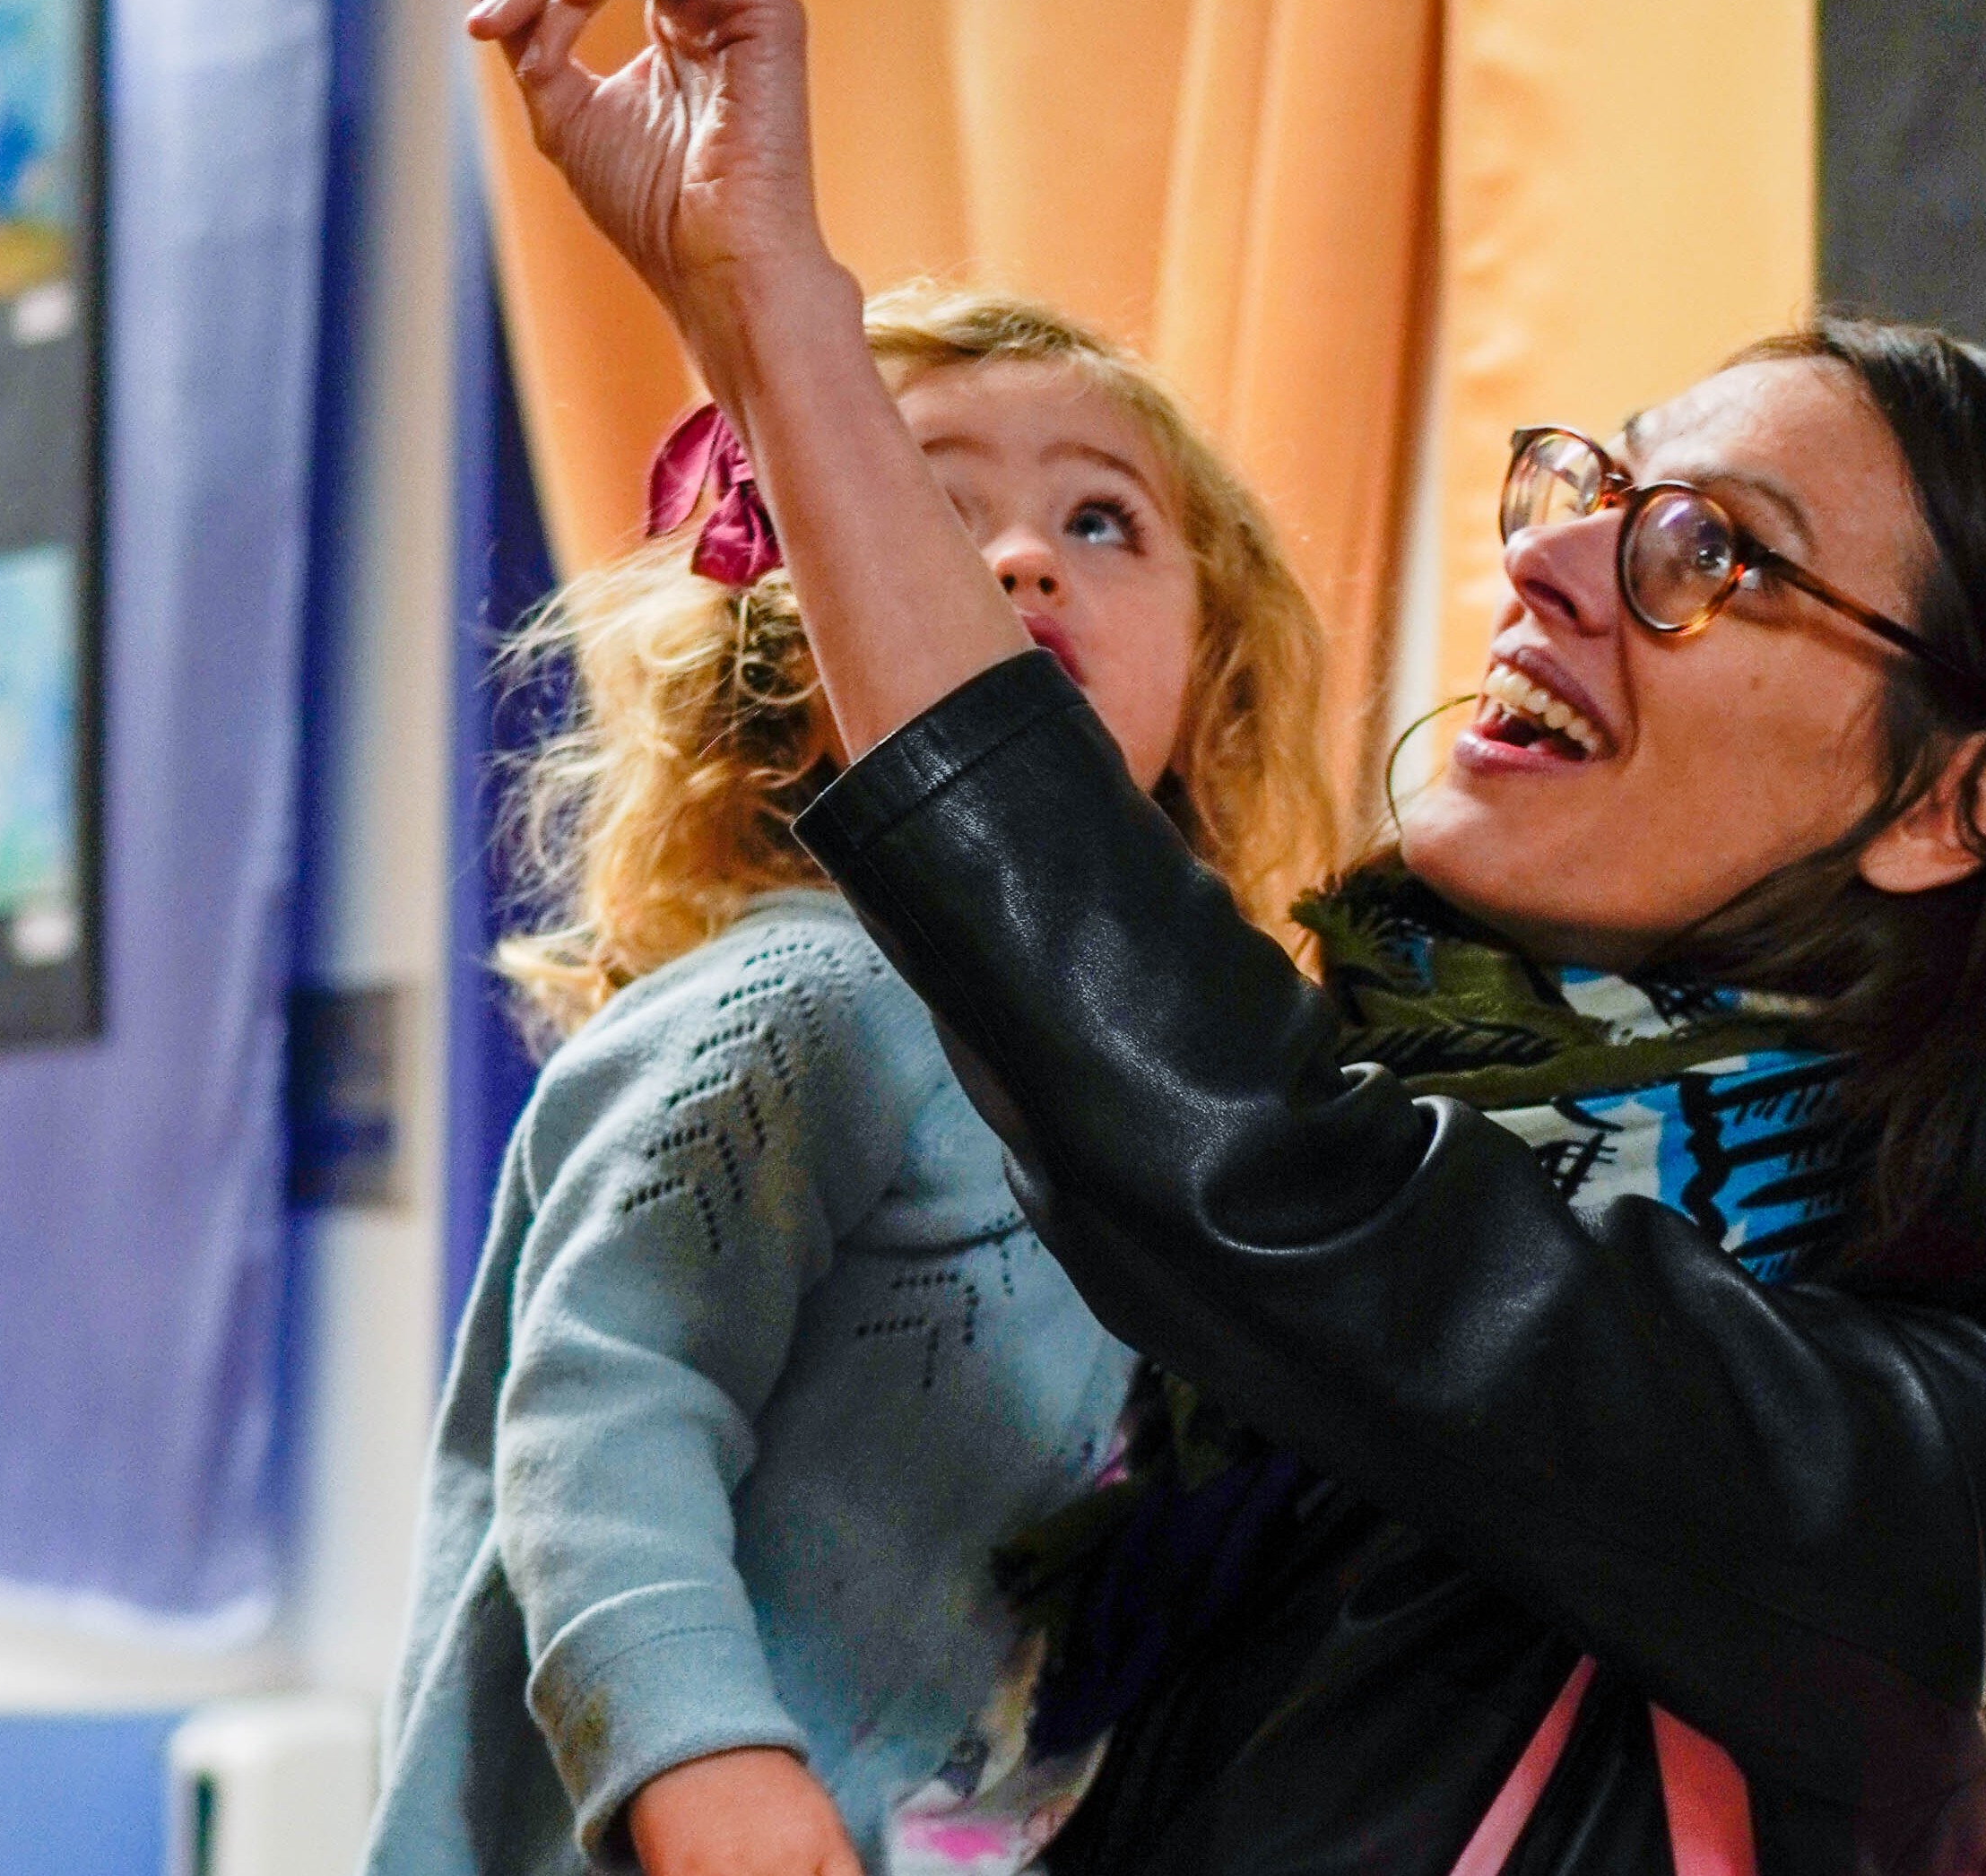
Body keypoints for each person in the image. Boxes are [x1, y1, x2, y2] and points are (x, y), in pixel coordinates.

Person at [449, 0, 1986, 1876]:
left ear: (1952, 804)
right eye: (1586, 488)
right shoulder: (1319, 1126)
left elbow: (1269, 1183)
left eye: (1702, 551)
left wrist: (787, 329)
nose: (1548, 562)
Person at [364, 274, 1337, 1876]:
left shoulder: (1186, 1109)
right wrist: (701, 1758)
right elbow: (609, 1403)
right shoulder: (808, 1002)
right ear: (782, 654)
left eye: (1103, 520)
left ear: (1214, 668)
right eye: (931, 512)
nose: (1023, 558)